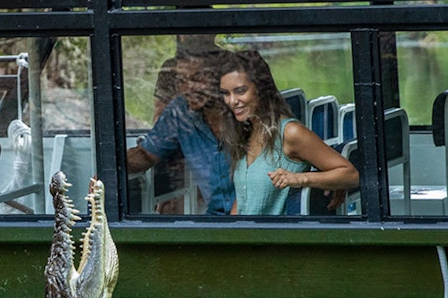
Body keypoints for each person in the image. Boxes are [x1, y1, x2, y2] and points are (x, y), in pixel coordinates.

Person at [217, 50, 358, 215]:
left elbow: (351, 175)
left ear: (261, 89)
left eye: (240, 91)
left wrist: (300, 179)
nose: (232, 101)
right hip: (244, 238)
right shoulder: (245, 131)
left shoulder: (290, 133)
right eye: (226, 94)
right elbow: (243, 201)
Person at [126, 50, 235, 215]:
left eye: (197, 79)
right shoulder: (180, 110)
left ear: (218, 79)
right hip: (216, 219)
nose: (189, 88)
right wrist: (112, 168)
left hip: (257, 219)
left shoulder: (240, 110)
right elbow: (146, 154)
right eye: (182, 81)